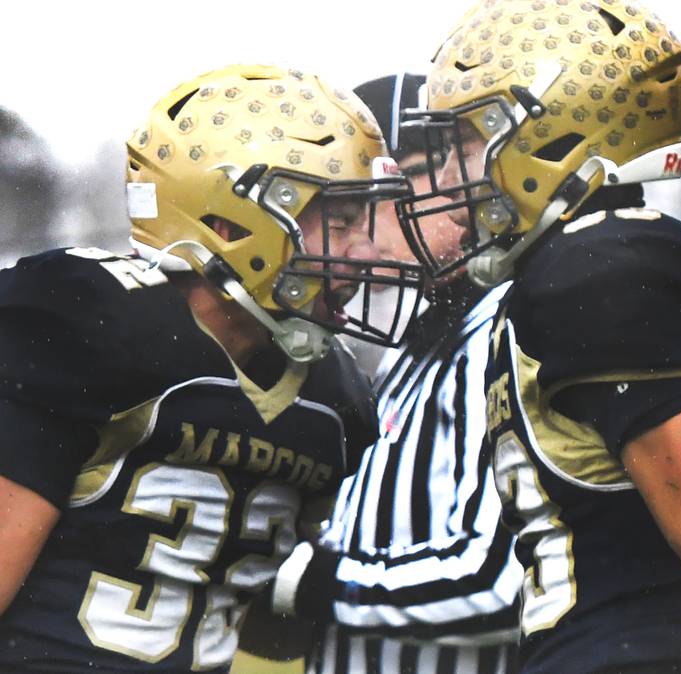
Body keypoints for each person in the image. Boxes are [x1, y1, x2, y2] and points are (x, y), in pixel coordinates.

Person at [395, 2, 681, 673]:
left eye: (467, 142)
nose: (453, 174)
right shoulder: (575, 266)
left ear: (551, 138)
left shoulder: (602, 272)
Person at [0, 64, 425, 673]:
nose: (367, 250)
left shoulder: (332, 394)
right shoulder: (85, 323)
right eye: (340, 215)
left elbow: (272, 641)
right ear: (229, 222)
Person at [263, 73, 523, 674]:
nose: (462, 193)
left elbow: (500, 583)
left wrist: (303, 584)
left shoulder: (505, 329)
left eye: (414, 176)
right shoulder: (416, 345)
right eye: (350, 210)